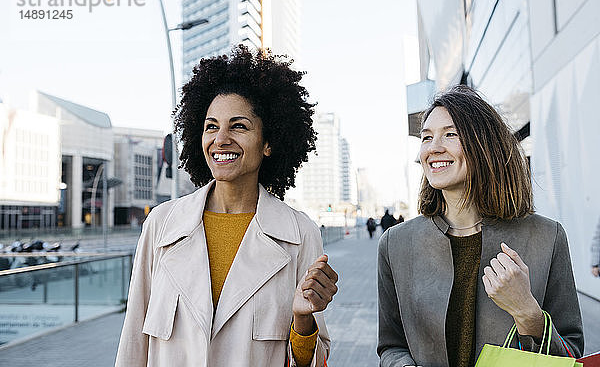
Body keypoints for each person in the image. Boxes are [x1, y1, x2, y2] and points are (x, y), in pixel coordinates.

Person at [116, 46, 338, 367]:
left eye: (238, 126)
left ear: (268, 143)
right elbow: (133, 342)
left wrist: (303, 322)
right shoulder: (161, 225)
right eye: (211, 126)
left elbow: (313, 360)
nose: (220, 139)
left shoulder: (299, 234)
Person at [377, 85, 583, 367]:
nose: (433, 147)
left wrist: (527, 312)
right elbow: (391, 345)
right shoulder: (395, 244)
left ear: (483, 144)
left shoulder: (547, 237)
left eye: (450, 134)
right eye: (426, 137)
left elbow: (572, 354)